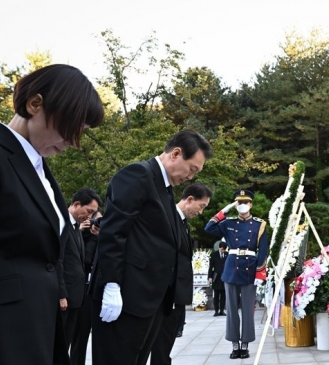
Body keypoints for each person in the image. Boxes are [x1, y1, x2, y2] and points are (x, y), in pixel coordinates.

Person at [0, 64, 104, 365]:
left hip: (40, 332)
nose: (74, 141)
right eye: (71, 126)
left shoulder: (40, 171)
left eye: (82, 132)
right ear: (35, 104)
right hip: (0, 336)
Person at [90, 130, 213, 365]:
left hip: (148, 301)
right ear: (176, 154)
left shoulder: (164, 189)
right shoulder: (138, 175)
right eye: (192, 169)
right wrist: (111, 283)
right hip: (126, 296)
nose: (190, 177)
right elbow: (114, 232)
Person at [145, 183, 212, 365]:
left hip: (176, 295)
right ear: (190, 199)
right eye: (201, 206)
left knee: (166, 343)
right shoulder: (167, 218)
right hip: (167, 295)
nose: (200, 212)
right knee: (161, 344)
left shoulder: (181, 222)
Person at [204, 190, 269, 359]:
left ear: (251, 204)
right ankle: (234, 345)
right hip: (232, 268)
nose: (242, 205)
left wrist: (259, 272)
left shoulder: (259, 224)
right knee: (231, 309)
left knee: (248, 309)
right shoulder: (228, 223)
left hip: (250, 267)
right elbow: (209, 228)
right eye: (239, 202)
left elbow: (263, 250)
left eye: (246, 202)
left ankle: (245, 345)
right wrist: (224, 211)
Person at [58, 188, 101, 348]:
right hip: (64, 298)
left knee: (66, 344)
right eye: (89, 211)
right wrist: (61, 294)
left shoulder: (76, 228)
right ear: (76, 204)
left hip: (76, 298)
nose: (90, 217)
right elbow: (58, 260)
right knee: (58, 346)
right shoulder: (62, 224)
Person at [69, 209, 102, 365]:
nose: (96, 223)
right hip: (83, 290)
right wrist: (79, 231)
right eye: (94, 219)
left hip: (101, 292)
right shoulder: (80, 235)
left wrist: (101, 236)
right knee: (79, 336)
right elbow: (82, 259)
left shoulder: (103, 239)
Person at [209, 242, 229, 316]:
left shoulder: (227, 255)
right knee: (216, 295)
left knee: (223, 295)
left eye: (224, 250)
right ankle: (216, 310)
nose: (222, 251)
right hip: (216, 277)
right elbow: (210, 267)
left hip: (224, 277)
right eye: (221, 249)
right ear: (219, 248)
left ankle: (222, 310)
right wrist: (210, 277)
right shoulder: (214, 255)